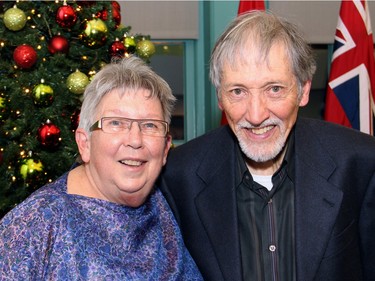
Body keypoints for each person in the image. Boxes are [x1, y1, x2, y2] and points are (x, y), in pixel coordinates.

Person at [159, 10, 375, 281]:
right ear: (220, 98)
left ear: (303, 90)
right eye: (238, 91)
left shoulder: (362, 163)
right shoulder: (179, 177)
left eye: (274, 89)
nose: (256, 115)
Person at [0, 56, 203, 280]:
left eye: (149, 125)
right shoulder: (35, 223)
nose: (135, 140)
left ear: (165, 149)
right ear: (84, 143)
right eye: (115, 123)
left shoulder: (170, 209)